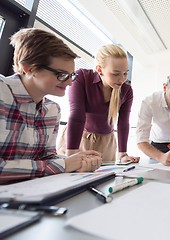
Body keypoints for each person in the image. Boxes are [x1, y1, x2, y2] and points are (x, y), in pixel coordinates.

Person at [0, 28, 102, 183]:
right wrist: (64, 164)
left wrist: (77, 162)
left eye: (71, 75)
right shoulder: (2, 92)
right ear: (29, 68)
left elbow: (46, 158)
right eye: (61, 75)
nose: (69, 82)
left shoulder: (52, 110)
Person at [57, 44, 139, 164]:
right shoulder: (82, 78)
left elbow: (123, 122)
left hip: (107, 144)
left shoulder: (126, 90)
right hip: (77, 139)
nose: (122, 79)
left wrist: (122, 154)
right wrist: (71, 155)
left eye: (125, 73)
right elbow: (77, 115)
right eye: (116, 74)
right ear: (100, 70)